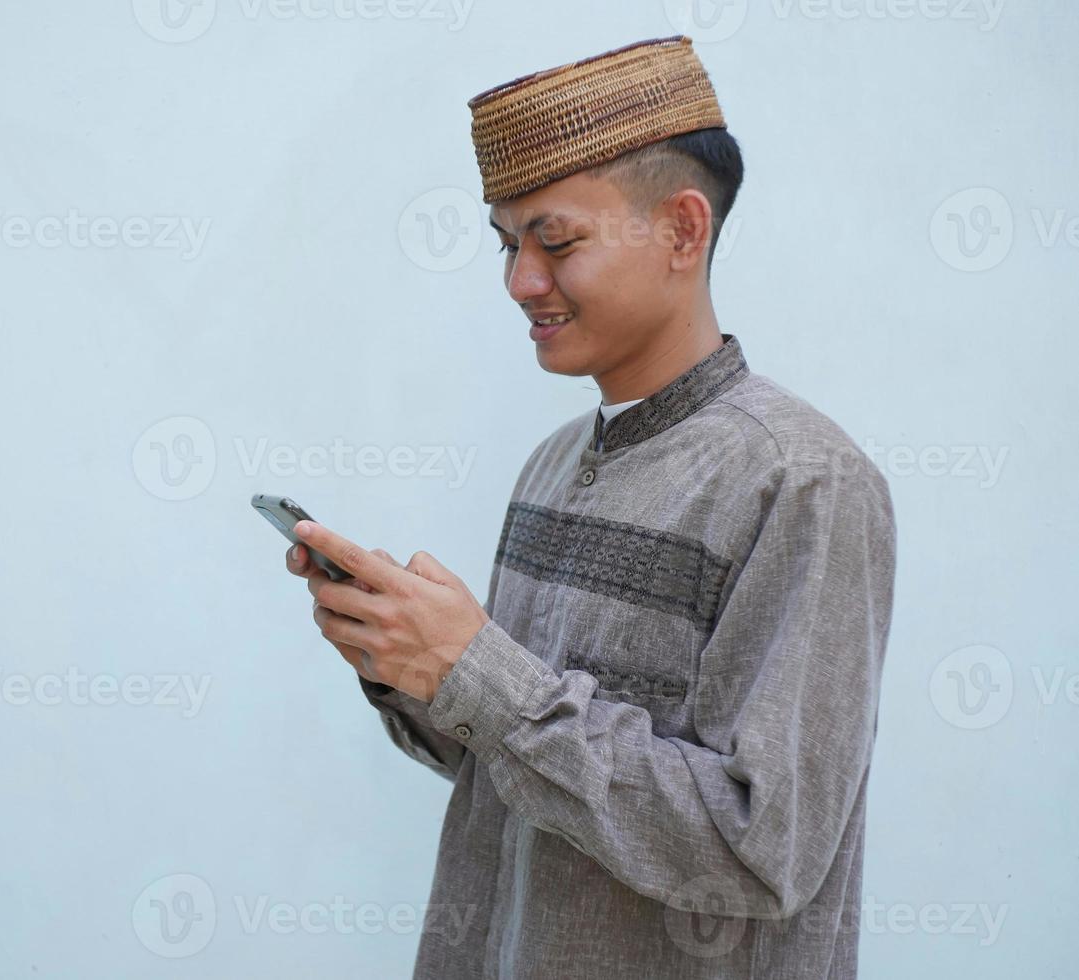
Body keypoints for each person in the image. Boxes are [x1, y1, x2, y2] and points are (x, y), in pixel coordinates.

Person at [286, 35, 896, 979]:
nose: (520, 280)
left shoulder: (803, 481)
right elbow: (524, 774)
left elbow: (759, 849)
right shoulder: (551, 462)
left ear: (682, 232)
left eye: (555, 241)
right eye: (506, 244)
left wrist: (479, 673)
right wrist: (410, 666)